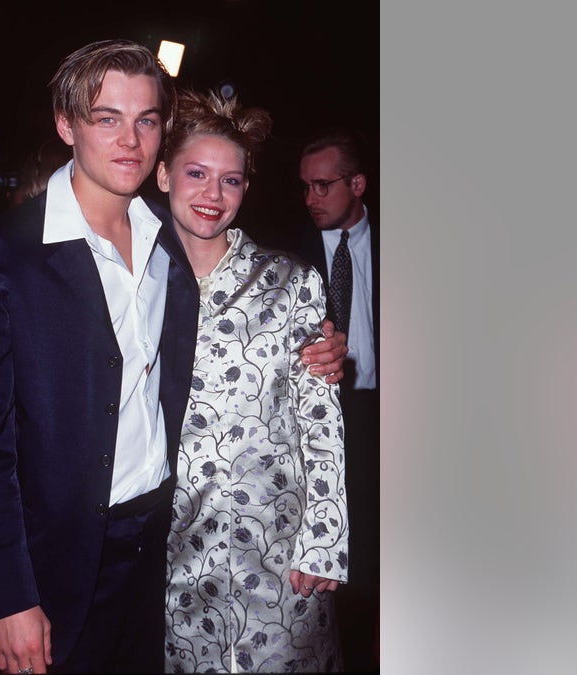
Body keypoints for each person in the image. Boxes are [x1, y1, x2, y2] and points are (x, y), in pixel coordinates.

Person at [0, 40, 348, 674]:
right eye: (106, 118)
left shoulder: (168, 252)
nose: (130, 139)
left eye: (146, 120)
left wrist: (326, 352)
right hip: (63, 565)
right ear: (65, 123)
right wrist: (8, 596)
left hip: (163, 550)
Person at [158, 89, 348, 673]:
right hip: (172, 555)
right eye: (197, 173)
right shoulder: (132, 281)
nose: (213, 195)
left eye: (232, 180)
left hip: (281, 549)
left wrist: (324, 539)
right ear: (163, 174)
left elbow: (320, 422)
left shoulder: (290, 281)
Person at [295, 128, 380, 670]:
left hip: (386, 420)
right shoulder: (285, 251)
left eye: (323, 186)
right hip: (323, 429)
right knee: (338, 572)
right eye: (304, 187)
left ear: (357, 183)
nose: (310, 198)